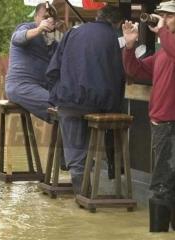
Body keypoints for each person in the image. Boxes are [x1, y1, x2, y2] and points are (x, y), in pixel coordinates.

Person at [122, 0, 175, 232]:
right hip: (164, 124)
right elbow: (135, 70)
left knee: (160, 183)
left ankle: (158, 234)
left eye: (169, 16)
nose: (163, 19)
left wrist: (162, 31)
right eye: (161, 15)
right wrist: (130, 46)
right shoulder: (163, 52)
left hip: (173, 125)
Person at [46, 5, 125, 194]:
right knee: (88, 145)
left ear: (98, 17)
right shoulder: (112, 39)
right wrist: (114, 109)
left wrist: (57, 93)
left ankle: (81, 193)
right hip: (97, 104)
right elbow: (117, 76)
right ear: (118, 24)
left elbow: (52, 70)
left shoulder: (73, 33)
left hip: (68, 100)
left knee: (75, 152)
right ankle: (86, 196)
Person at [5, 2, 59, 123]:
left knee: (70, 105)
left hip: (41, 87)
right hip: (20, 86)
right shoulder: (26, 28)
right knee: (59, 107)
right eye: (45, 17)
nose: (49, 20)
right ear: (36, 17)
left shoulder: (52, 42)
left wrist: (67, 34)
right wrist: (39, 29)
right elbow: (17, 38)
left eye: (52, 18)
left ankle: (62, 140)